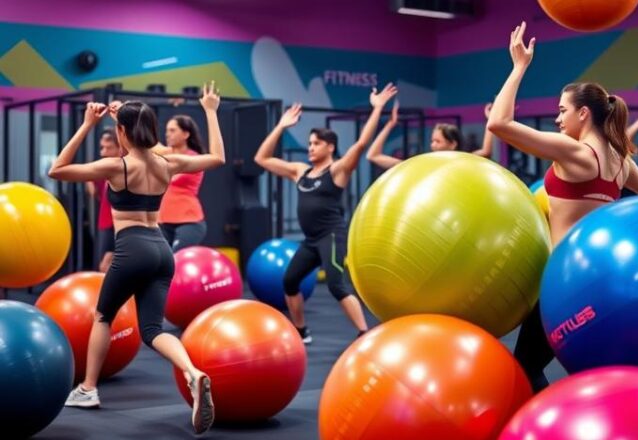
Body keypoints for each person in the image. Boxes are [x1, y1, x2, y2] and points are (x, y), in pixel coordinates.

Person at [486, 22, 638, 392]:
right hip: (601, 277)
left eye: (562, 110)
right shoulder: (619, 161)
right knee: (584, 370)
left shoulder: (576, 153)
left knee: (526, 369)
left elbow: (498, 123)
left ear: (583, 114)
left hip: (564, 280)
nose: (557, 118)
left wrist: (519, 67)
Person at [48, 82, 226, 434]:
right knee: (152, 330)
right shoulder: (169, 162)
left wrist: (87, 124)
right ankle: (192, 373)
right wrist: (209, 111)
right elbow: (218, 158)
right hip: (161, 250)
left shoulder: (116, 167)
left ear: (121, 132)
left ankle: (88, 388)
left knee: (103, 316)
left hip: (132, 247)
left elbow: (57, 169)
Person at [254, 84, 398, 344]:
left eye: (316, 143)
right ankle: (301, 331)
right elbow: (262, 159)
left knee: (336, 286)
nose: (310, 148)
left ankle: (365, 335)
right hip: (311, 241)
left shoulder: (338, 171)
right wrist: (281, 126)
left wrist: (377, 108)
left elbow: (361, 144)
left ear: (330, 147)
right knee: (290, 281)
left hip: (331, 236)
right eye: (309, 143)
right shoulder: (300, 171)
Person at [366, 101, 494, 169]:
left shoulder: (462, 162)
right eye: (432, 141)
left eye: (438, 141)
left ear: (452, 144)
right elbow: (373, 155)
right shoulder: (424, 165)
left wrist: (491, 119)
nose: (433, 145)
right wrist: (389, 125)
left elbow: (486, 152)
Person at [156, 115, 209, 251]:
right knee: (161, 261)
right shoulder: (166, 153)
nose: (168, 134)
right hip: (163, 220)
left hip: (189, 221)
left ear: (185, 134)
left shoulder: (194, 158)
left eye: (172, 130)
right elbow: (144, 141)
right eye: (167, 130)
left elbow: (172, 177)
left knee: (177, 258)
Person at [85, 128, 121, 272]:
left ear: (120, 148)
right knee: (103, 266)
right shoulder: (102, 169)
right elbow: (95, 192)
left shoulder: (127, 167)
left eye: (109, 148)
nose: (103, 152)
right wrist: (88, 177)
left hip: (125, 224)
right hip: (106, 223)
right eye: (102, 148)